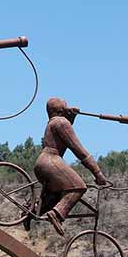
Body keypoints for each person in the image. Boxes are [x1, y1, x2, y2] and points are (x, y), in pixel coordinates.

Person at [27, 97, 109, 235]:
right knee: (78, 186)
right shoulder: (61, 122)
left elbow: (64, 132)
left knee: (54, 196)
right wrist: (97, 173)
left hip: (42, 163)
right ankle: (57, 214)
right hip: (51, 161)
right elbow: (79, 151)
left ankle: (31, 213)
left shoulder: (54, 122)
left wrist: (72, 117)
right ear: (60, 110)